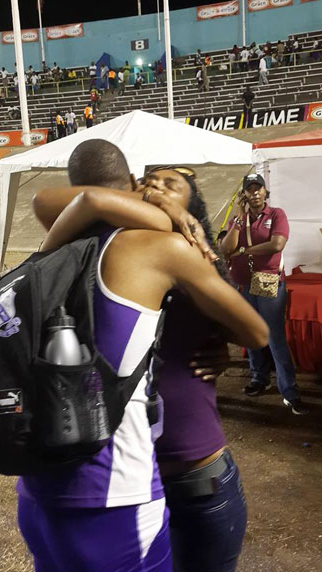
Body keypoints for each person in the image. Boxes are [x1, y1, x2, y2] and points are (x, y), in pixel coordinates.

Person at [33, 147, 269, 572]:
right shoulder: (102, 249)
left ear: (192, 209)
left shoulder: (187, 258)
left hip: (194, 479)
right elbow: (58, 200)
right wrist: (158, 208)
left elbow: (255, 332)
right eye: (147, 183)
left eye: (169, 186)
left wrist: (223, 345)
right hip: (132, 475)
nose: (155, 189)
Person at [221, 173, 308, 415]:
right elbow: (226, 249)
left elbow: (276, 244)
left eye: (258, 188)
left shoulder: (276, 214)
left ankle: (290, 392)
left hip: (269, 282)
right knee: (251, 332)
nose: (255, 193)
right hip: (244, 285)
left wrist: (245, 251)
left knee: (274, 337)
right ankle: (260, 379)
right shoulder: (239, 220)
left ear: (265, 192)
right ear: (244, 195)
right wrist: (238, 219)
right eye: (250, 189)